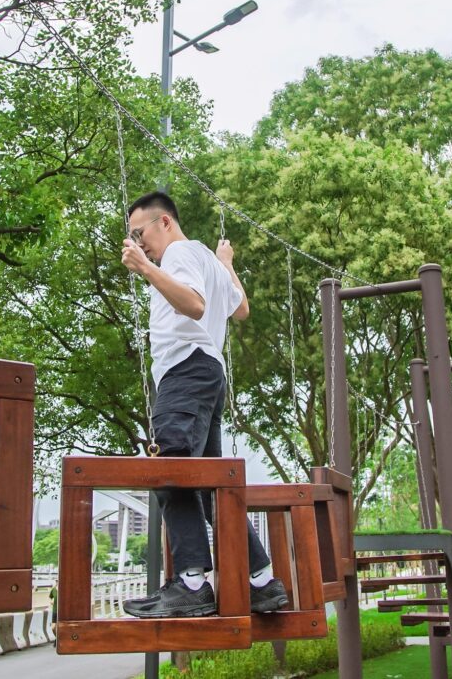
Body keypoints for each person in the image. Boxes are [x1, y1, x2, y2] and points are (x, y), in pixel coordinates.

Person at [119, 192, 289, 619]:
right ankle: (262, 582)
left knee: (170, 469)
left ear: (165, 223)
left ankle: (192, 584)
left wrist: (146, 269)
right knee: (211, 487)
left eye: (140, 235)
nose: (139, 245)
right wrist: (226, 262)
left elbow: (194, 305)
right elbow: (242, 309)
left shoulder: (176, 252)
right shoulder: (207, 260)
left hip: (186, 371)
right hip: (208, 373)